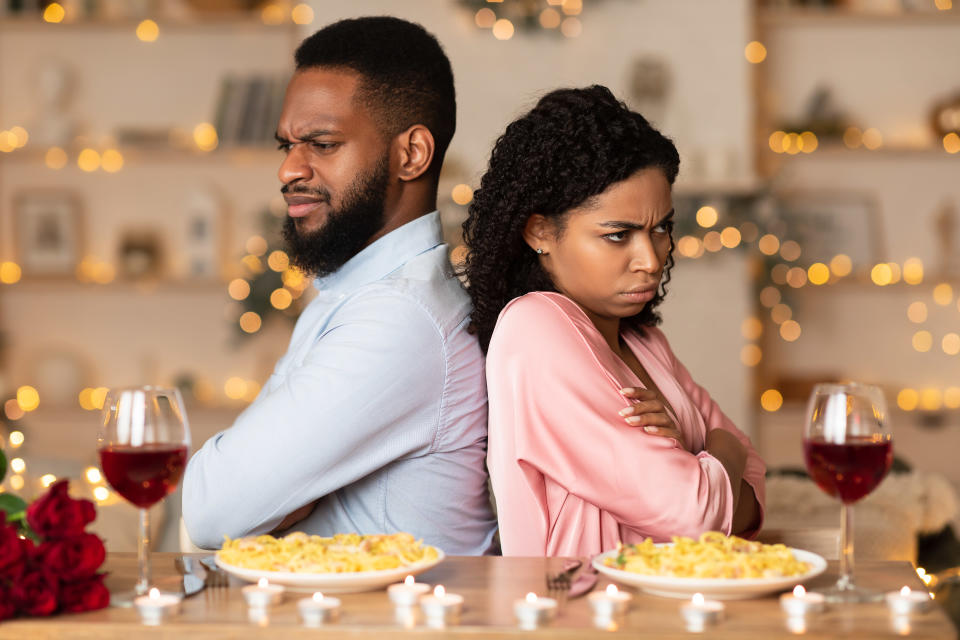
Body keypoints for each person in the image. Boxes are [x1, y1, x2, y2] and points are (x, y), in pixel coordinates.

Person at [183, 17, 497, 555]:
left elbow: (212, 508)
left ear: (412, 154)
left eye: (322, 144)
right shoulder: (362, 294)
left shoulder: (400, 318)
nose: (288, 170)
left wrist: (272, 499)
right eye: (287, 145)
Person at [462, 85, 765, 557]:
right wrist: (718, 446)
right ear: (540, 231)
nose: (650, 258)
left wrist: (701, 460)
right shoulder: (534, 330)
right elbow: (698, 515)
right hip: (579, 619)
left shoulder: (645, 343)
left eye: (661, 228)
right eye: (618, 235)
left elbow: (755, 487)